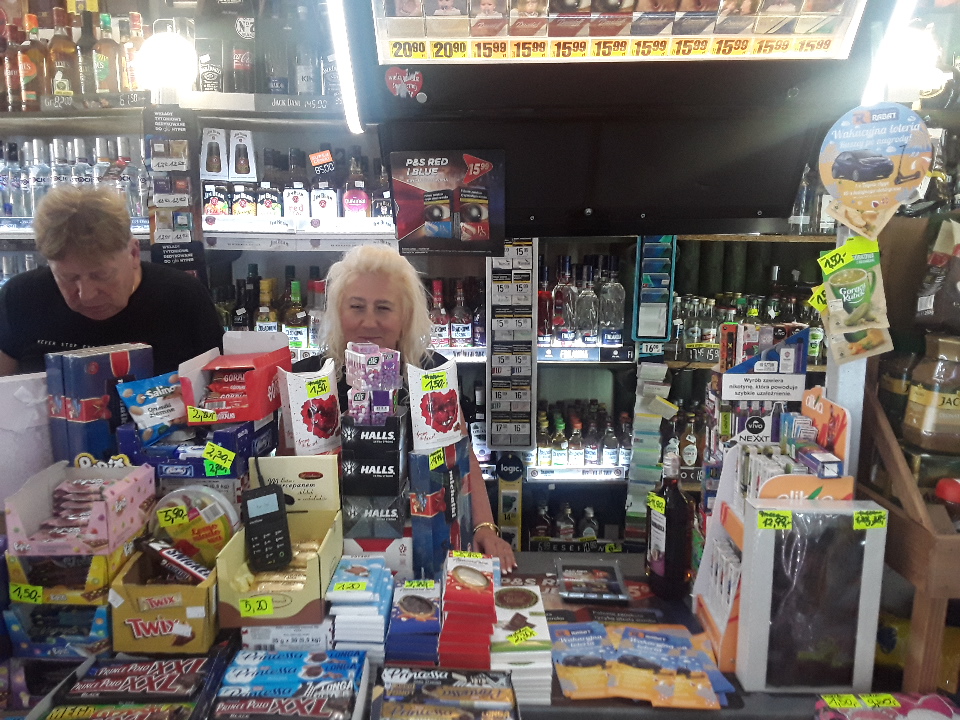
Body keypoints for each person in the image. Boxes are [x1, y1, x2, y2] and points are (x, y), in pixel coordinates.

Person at [295, 244, 517, 572]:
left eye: (384, 308)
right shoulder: (309, 379)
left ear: (406, 317)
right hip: (332, 556)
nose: (369, 321)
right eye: (356, 306)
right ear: (338, 312)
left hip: (423, 548)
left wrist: (484, 528)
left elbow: (461, 456)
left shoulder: (432, 373)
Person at [0, 186, 224, 375]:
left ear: (134, 254)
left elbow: (220, 389)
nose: (86, 295)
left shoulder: (182, 297)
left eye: (101, 275)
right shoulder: (20, 297)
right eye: (68, 278)